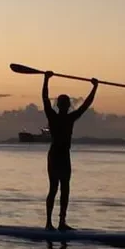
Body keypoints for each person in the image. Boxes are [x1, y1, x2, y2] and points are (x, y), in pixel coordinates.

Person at [42, 72, 99, 231]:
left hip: (64, 156)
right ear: (60, 105)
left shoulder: (70, 118)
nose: (66, 104)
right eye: (63, 102)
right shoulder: (52, 117)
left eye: (67, 102)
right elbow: (45, 100)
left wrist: (95, 88)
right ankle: (48, 223)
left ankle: (61, 222)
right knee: (54, 189)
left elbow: (86, 105)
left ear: (68, 105)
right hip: (54, 156)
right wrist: (46, 80)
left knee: (65, 189)